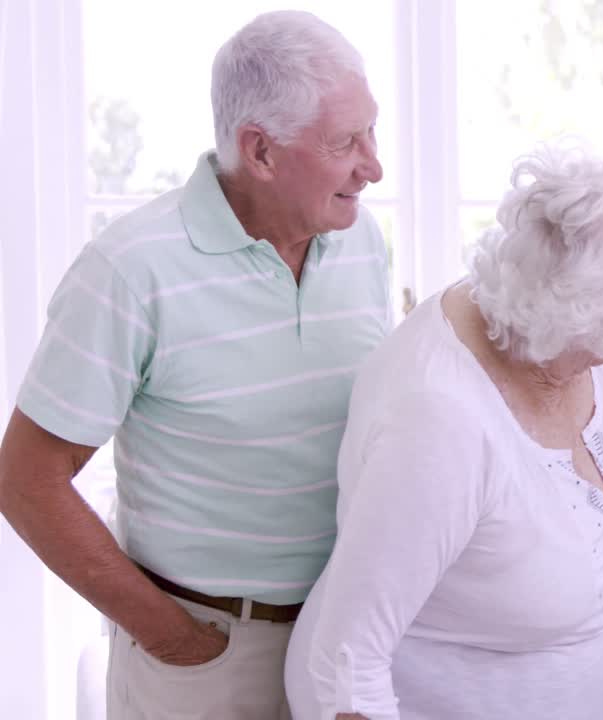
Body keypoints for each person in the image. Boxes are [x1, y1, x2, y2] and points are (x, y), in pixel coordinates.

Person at [0, 10, 387, 720]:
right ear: (261, 151)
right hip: (207, 653)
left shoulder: (361, 243)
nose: (374, 165)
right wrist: (171, 636)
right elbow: (26, 481)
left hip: (340, 646)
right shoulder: (129, 269)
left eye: (371, 130)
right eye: (345, 143)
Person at [282, 145, 603, 720]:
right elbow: (346, 664)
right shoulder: (438, 419)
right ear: (566, 321)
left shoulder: (577, 346)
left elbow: (593, 556)